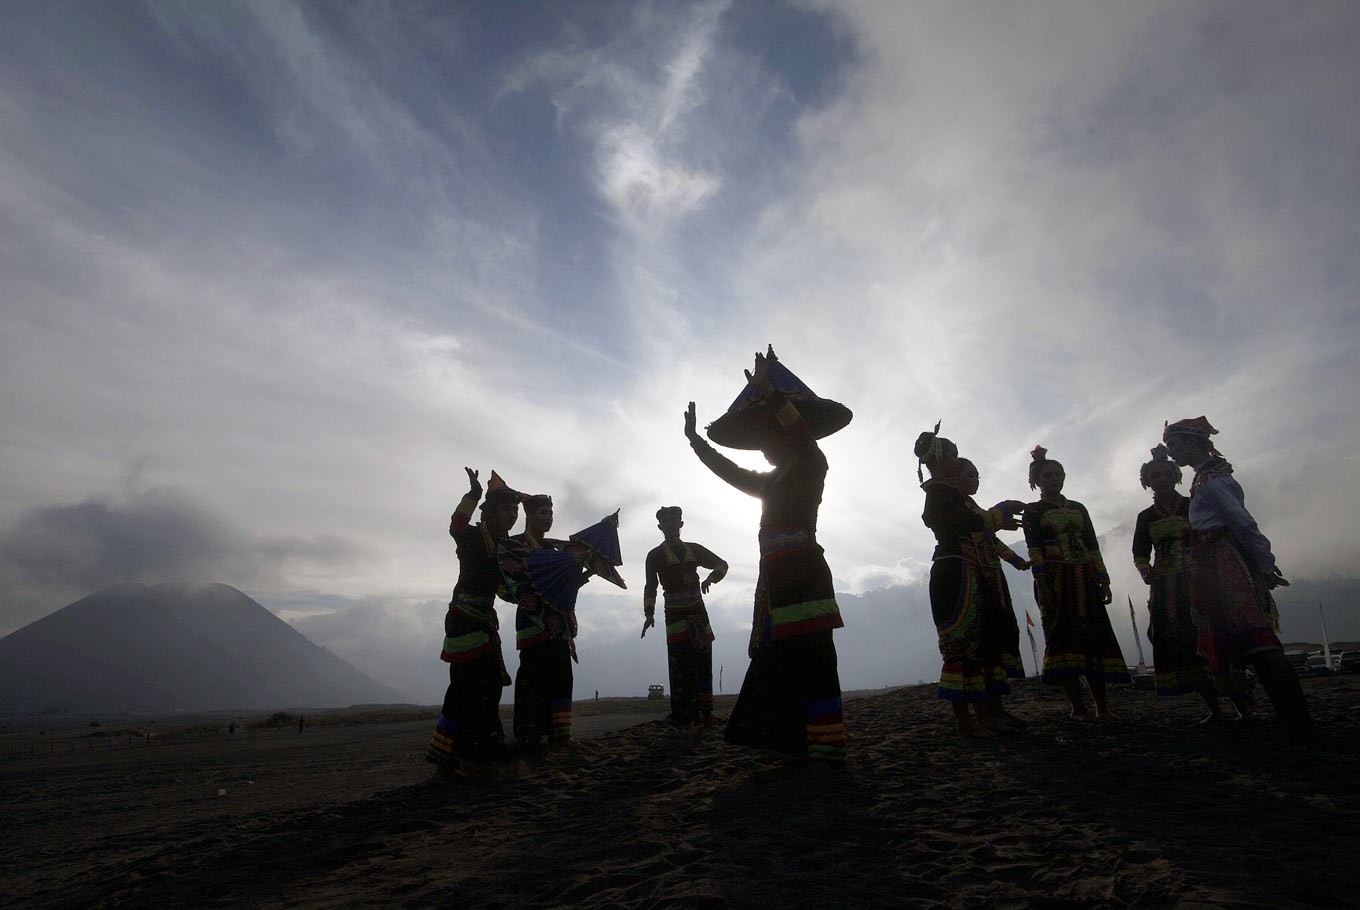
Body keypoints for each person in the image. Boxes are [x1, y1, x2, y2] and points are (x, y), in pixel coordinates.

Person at [685, 347, 850, 766]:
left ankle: (826, 745)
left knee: (814, 655)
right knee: (782, 658)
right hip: (776, 580)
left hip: (805, 573)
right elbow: (728, 471)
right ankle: (792, 740)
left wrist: (769, 392)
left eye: (771, 438)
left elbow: (801, 434)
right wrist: (695, 443)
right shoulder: (770, 482)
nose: (763, 449)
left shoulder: (812, 463)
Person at [1162, 417, 1309, 726]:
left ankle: (1295, 717)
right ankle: (1289, 715)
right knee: (1246, 639)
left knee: (1256, 638)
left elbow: (1243, 523)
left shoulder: (1214, 482)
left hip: (1224, 563)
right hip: (1214, 562)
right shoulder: (1205, 479)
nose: (1171, 451)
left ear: (1191, 443)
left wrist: (1265, 563)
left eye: (1174, 445)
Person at [915, 430, 1027, 736]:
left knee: (984, 640)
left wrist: (998, 520)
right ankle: (972, 720)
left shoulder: (952, 495)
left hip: (969, 568)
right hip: (955, 571)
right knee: (963, 646)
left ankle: (989, 714)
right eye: (952, 455)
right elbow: (970, 524)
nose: (956, 459)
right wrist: (1001, 511)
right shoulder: (938, 494)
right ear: (940, 460)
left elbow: (979, 526)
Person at [1133, 444, 1244, 722]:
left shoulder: (1192, 504)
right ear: (1147, 481)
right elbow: (1140, 551)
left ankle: (1243, 705)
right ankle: (1213, 708)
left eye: (1165, 474)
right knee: (1182, 641)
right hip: (1166, 586)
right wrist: (1145, 569)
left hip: (1201, 579)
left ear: (1175, 476)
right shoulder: (1145, 517)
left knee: (1214, 637)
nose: (1161, 480)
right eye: (1155, 476)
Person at [1023, 446, 1129, 719]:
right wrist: (1042, 581)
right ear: (1037, 480)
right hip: (1055, 579)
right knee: (1062, 637)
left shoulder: (1079, 508)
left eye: (1059, 475)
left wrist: (1103, 579)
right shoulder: (1033, 512)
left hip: (1084, 576)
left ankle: (1101, 706)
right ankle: (1077, 707)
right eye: (1048, 476)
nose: (1055, 479)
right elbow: (1034, 549)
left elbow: (1092, 545)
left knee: (1094, 638)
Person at [426, 468, 518, 774]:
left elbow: (506, 589)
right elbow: (456, 523)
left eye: (515, 509)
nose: (512, 514)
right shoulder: (472, 537)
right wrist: (474, 493)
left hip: (484, 622)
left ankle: (482, 744)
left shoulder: (506, 548)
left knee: (489, 685)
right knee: (467, 686)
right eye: (506, 508)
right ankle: (458, 751)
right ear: (488, 512)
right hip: (464, 619)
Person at [501, 493, 582, 750]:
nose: (547, 518)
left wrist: (583, 569)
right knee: (532, 677)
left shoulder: (553, 550)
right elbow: (509, 586)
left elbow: (564, 586)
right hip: (530, 620)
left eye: (550, 513)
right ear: (529, 515)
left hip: (558, 621)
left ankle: (561, 733)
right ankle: (529, 734)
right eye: (542, 513)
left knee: (561, 675)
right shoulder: (512, 546)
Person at [642, 506, 729, 729]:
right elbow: (650, 586)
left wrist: (711, 579)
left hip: (698, 613)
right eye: (666, 522)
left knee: (703, 662)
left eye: (674, 521)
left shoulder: (694, 550)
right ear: (660, 527)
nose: (670, 525)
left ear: (681, 524)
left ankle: (706, 713)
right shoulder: (655, 556)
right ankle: (684, 715)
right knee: (680, 664)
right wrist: (649, 613)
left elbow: (722, 564)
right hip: (674, 614)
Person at [954, 458, 1031, 691]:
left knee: (1001, 628)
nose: (975, 480)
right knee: (983, 633)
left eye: (977, 475)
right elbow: (975, 530)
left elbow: (990, 539)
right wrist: (1004, 509)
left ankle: (997, 701)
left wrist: (1017, 561)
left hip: (994, 575)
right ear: (953, 476)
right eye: (970, 475)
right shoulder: (956, 506)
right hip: (974, 575)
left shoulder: (972, 505)